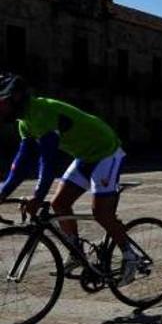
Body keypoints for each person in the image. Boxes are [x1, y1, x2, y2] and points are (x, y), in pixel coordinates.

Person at [0, 73, 140, 284]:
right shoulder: (24, 122)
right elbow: (20, 166)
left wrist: (38, 197)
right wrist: (2, 193)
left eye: (1, 103)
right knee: (59, 203)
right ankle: (76, 252)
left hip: (106, 149)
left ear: (16, 97)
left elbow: (48, 162)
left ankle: (131, 256)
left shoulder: (42, 111)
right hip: (85, 155)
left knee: (100, 212)